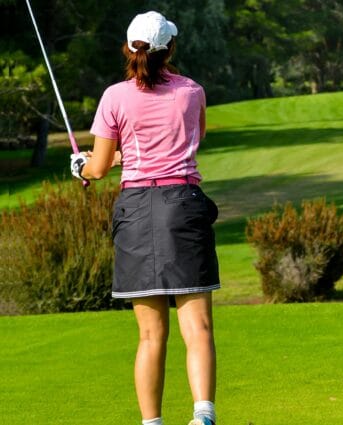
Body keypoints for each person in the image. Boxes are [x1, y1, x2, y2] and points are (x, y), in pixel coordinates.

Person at [71, 11, 219, 425]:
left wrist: (79, 166)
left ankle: (152, 424)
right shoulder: (192, 91)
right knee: (199, 327)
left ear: (129, 48)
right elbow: (191, 139)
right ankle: (202, 417)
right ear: (169, 48)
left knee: (152, 334)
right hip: (184, 206)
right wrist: (118, 156)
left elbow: (97, 169)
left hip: (136, 211)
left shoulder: (114, 97)